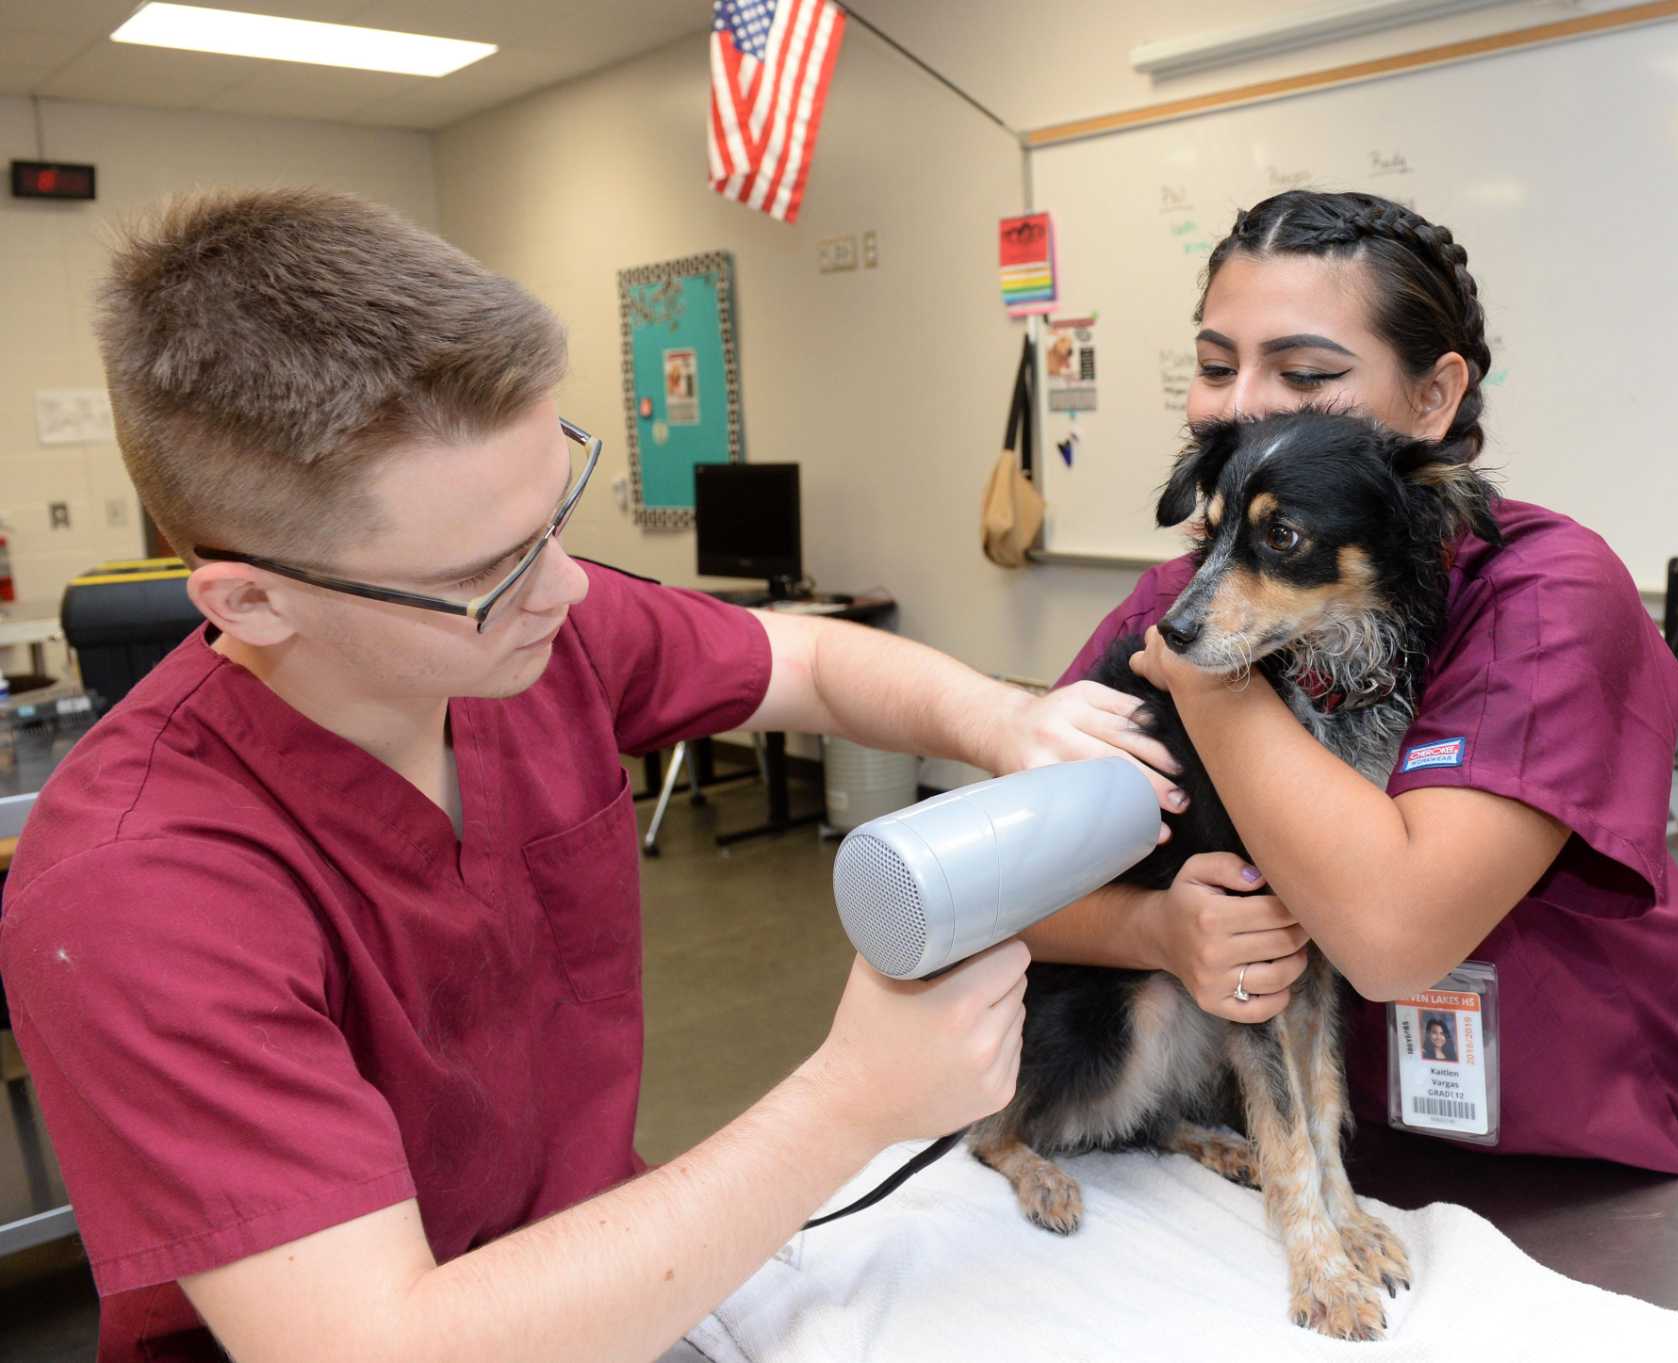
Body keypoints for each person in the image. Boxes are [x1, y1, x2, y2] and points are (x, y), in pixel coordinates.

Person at [0, 189, 1178, 1363]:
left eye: (555, 506)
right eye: (492, 565)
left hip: (628, 1285)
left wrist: (1010, 721)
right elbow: (379, 1344)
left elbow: (808, 655)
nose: (568, 589)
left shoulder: (524, 629)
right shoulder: (135, 889)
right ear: (252, 598)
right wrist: (850, 1100)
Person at [1025, 189, 1678, 1184]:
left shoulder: (1543, 595)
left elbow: (1391, 937)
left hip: (1549, 1158)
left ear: (1433, 397)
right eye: (1216, 366)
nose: (1241, 408)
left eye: (1305, 372)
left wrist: (1209, 684)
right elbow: (1003, 879)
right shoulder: (1192, 595)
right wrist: (1149, 929)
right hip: (1282, 1152)